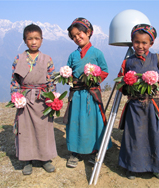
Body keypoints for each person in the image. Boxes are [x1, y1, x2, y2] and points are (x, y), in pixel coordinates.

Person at [117, 24, 159, 180]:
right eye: (136, 42)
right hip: (135, 106)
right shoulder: (127, 62)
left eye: (144, 43)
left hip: (153, 105)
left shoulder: (158, 59)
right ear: (132, 41)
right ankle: (132, 167)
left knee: (155, 134)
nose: (140, 46)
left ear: (151, 43)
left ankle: (157, 167)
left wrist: (156, 84)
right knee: (134, 135)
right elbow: (120, 82)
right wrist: (129, 87)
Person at [63, 17, 112, 168]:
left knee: (94, 122)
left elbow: (104, 71)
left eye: (80, 34)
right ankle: (75, 152)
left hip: (92, 94)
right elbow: (69, 72)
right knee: (75, 121)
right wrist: (67, 77)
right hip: (77, 95)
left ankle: (96, 150)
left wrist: (94, 79)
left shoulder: (97, 53)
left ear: (89, 32)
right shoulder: (72, 55)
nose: (77, 38)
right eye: (74, 36)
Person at [10, 24, 57, 175]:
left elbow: (51, 81)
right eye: (30, 39)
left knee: (43, 129)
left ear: (42, 40)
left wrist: (53, 99)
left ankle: (45, 159)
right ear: (25, 40)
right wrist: (16, 97)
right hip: (25, 98)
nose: (34, 42)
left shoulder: (47, 59)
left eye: (37, 38)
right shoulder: (19, 59)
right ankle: (26, 160)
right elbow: (15, 81)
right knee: (25, 129)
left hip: (42, 99)